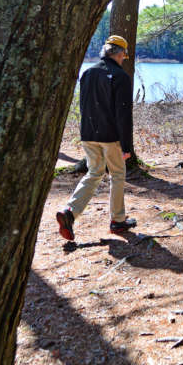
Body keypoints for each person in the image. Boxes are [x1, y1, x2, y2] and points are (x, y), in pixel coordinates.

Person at [56, 35, 136, 241]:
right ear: (119, 53)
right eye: (124, 55)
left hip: (88, 134)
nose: (123, 59)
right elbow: (123, 113)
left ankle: (70, 212)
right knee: (117, 174)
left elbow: (84, 106)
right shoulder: (119, 76)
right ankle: (118, 221)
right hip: (111, 137)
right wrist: (126, 145)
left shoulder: (88, 72)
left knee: (94, 173)